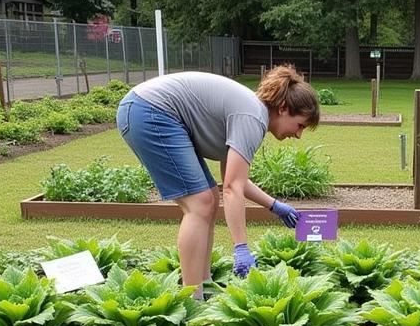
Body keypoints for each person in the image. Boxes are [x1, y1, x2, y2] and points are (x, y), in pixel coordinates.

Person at [116, 65, 320, 291]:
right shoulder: (252, 117)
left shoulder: (252, 113)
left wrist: (275, 206)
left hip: (147, 109)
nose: (299, 134)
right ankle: (192, 299)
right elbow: (233, 188)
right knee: (200, 204)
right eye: (300, 124)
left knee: (209, 198)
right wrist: (241, 247)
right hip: (149, 111)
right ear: (283, 108)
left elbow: (233, 180)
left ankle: (204, 284)